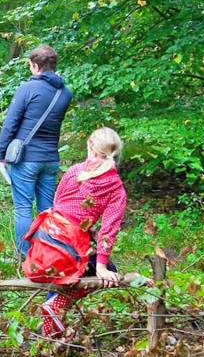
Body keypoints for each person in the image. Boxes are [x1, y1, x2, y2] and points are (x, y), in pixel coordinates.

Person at [21, 127, 126, 338]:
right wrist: (103, 267)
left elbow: (60, 203)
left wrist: (86, 229)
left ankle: (51, 335)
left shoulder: (74, 171)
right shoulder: (116, 188)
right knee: (102, 268)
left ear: (90, 147)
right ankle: (58, 304)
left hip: (45, 237)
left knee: (66, 270)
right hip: (68, 245)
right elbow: (109, 229)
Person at [0, 44, 72, 257]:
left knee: (23, 208)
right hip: (50, 159)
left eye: (30, 65)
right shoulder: (65, 93)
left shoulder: (27, 89)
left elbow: (10, 124)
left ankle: (25, 256)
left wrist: (1, 154)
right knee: (47, 210)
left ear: (36, 66)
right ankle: (48, 253)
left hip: (26, 160)